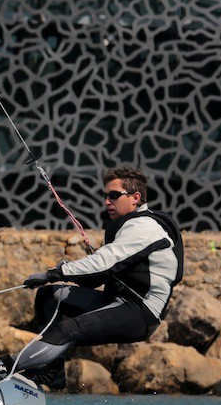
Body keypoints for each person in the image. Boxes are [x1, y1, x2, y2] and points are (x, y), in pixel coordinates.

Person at [12, 165, 185, 385]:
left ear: (135, 198)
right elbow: (98, 278)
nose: (106, 201)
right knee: (49, 297)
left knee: (67, 329)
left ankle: (7, 366)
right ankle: (52, 373)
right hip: (115, 301)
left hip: (141, 312)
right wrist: (61, 276)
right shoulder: (124, 227)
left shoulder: (145, 227)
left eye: (114, 195)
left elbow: (104, 262)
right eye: (105, 196)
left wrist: (54, 273)